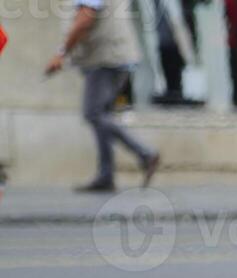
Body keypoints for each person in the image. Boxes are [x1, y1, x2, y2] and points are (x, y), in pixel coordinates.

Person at [45, 0, 162, 193]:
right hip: (114, 57)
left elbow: (85, 19)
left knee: (93, 113)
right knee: (103, 115)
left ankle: (145, 153)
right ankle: (106, 175)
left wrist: (62, 54)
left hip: (106, 59)